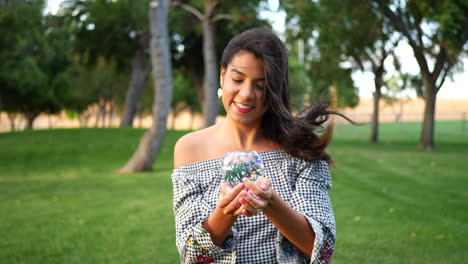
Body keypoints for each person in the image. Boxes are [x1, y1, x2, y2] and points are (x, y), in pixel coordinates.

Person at [172, 28, 342, 264]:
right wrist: (225, 212)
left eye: (261, 85)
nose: (246, 94)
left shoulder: (300, 148)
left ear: (275, 89)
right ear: (222, 75)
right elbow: (190, 255)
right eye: (238, 79)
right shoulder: (190, 148)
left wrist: (270, 203)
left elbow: (321, 251)